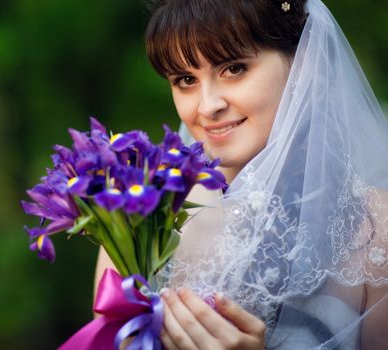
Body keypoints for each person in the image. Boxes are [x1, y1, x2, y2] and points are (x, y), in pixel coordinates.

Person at [95, 0, 388, 348]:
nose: (208, 106)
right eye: (186, 79)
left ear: (306, 64)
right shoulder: (142, 215)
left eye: (233, 69)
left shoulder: (375, 228)